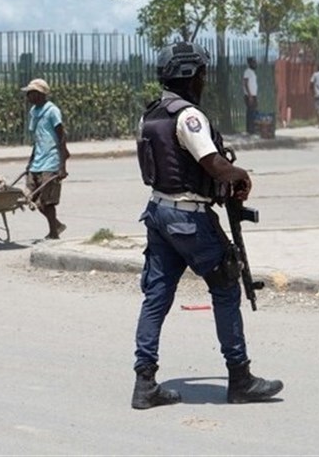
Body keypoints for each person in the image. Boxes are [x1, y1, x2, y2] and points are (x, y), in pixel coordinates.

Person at [131, 41, 283, 410]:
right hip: (188, 218)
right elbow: (214, 165)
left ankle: (145, 382)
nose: (204, 79)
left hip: (158, 213)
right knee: (226, 287)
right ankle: (240, 378)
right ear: (191, 75)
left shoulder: (151, 115)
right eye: (201, 73)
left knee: (157, 296)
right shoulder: (189, 117)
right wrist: (241, 174)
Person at [22, 78, 69, 240]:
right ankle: (56, 225)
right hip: (38, 161)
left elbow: (62, 137)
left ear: (40, 94)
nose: (28, 97)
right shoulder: (33, 112)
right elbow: (37, 139)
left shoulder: (52, 111)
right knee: (32, 197)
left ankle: (53, 233)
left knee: (47, 201)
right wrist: (30, 162)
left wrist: (62, 165)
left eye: (31, 93)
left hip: (52, 160)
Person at [242, 56, 259, 135]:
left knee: (253, 112)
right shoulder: (247, 71)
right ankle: (250, 130)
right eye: (254, 62)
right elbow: (245, 83)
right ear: (250, 63)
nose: (255, 64)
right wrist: (250, 95)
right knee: (250, 112)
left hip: (253, 95)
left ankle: (252, 129)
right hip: (250, 95)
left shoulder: (252, 72)